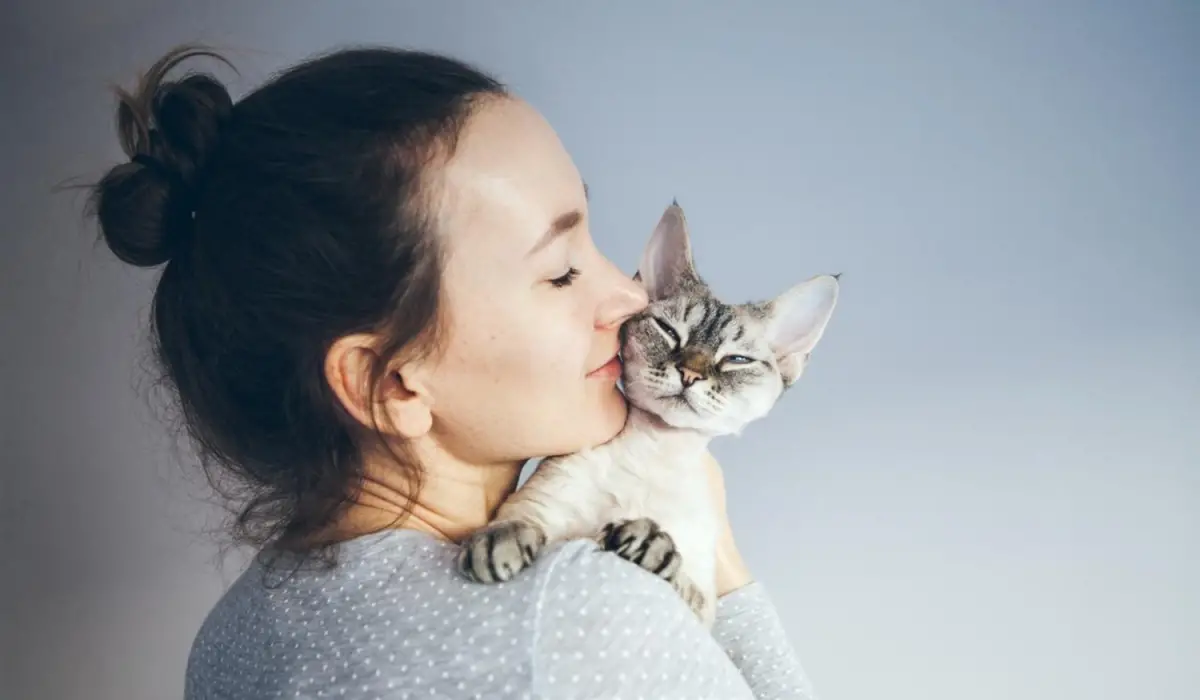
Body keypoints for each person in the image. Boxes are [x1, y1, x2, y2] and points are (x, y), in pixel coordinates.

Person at [88, 44, 817, 699]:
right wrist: (720, 560)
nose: (629, 296)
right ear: (392, 384)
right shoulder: (580, 618)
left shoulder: (229, 639)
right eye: (562, 271)